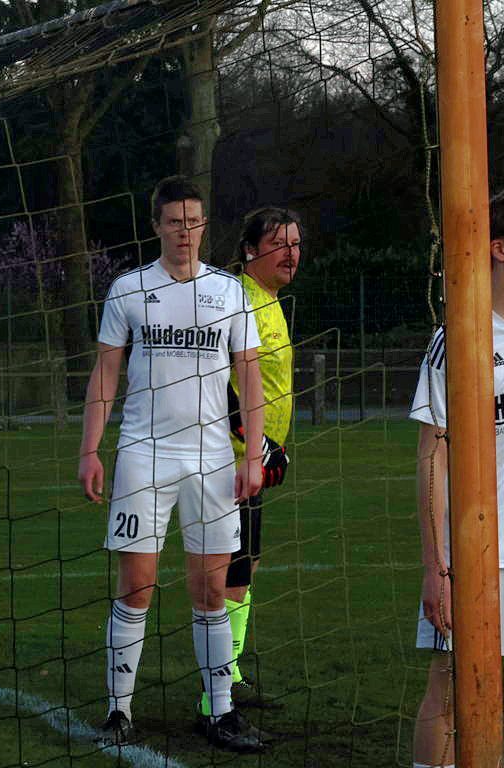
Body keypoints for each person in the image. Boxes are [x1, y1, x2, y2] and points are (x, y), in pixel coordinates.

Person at [77, 176, 267, 753]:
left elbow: (250, 376)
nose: (185, 232)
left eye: (193, 222)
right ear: (157, 226)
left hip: (212, 461)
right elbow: (106, 373)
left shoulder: (229, 292)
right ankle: (118, 710)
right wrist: (90, 449)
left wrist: (251, 454)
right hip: (143, 456)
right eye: (174, 222)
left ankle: (220, 710)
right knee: (136, 586)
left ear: (204, 225)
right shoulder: (129, 289)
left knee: (211, 591)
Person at [410, 187, 504, 768]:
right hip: (477, 556)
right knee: (453, 693)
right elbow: (431, 458)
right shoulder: (459, 339)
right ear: (499, 248)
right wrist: (436, 567)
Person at [196, 207, 300, 719]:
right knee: (228, 575)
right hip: (228, 463)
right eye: (280, 244)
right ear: (250, 250)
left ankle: (230, 676)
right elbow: (217, 382)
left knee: (247, 566)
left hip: (253, 464)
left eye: (296, 244)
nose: (291, 254)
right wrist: (256, 445)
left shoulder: (271, 301)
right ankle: (215, 691)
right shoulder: (236, 300)